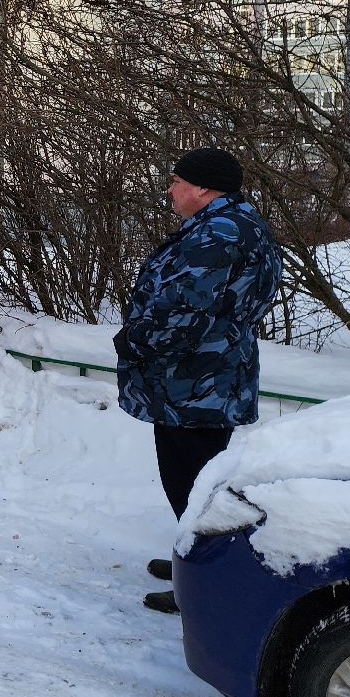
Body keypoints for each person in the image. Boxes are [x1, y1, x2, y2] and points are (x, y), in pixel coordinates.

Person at [114, 147, 281, 614]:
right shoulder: (238, 223)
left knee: (193, 482)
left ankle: (209, 581)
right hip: (208, 375)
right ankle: (196, 556)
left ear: (203, 188)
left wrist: (134, 341)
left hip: (194, 382)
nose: (169, 190)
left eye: (176, 181)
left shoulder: (217, 234)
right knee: (201, 479)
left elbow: (184, 311)